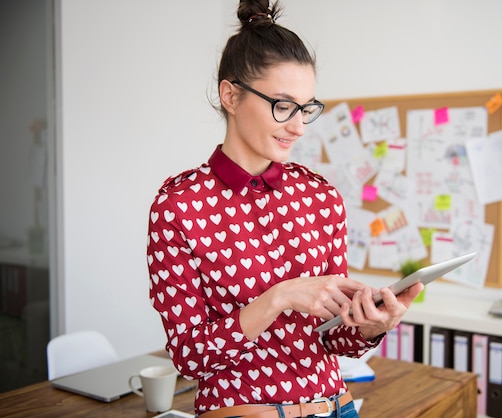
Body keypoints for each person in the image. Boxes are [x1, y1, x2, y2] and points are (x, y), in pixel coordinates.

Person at [146, 1, 422, 417]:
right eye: (283, 105)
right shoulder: (178, 207)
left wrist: (369, 326)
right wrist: (278, 298)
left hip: (338, 407)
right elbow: (190, 358)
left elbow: (329, 340)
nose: (298, 126)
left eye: (307, 107)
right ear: (231, 95)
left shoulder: (321, 196)